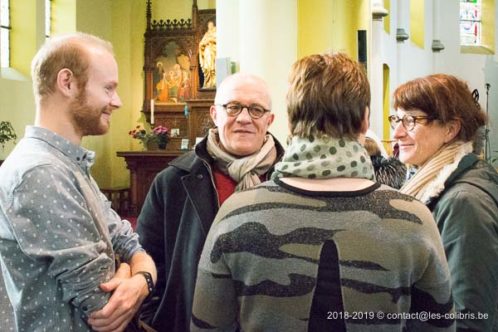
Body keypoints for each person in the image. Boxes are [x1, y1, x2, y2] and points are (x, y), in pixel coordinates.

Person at [191, 53, 455, 331]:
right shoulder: (413, 219)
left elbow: (207, 325)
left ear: (290, 123)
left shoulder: (238, 213)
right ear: (365, 121)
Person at [0, 32, 157, 331]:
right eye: (109, 88)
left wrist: (137, 276)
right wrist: (135, 272)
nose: (118, 101)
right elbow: (105, 307)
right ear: (67, 82)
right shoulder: (40, 173)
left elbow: (125, 237)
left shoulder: (66, 163)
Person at [136, 72, 285, 331]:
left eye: (256, 110)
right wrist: (156, 320)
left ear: (269, 120)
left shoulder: (289, 179)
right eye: (233, 107)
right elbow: (146, 257)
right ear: (215, 114)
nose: (244, 118)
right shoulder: (172, 181)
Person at [391, 73, 498, 331]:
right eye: (396, 118)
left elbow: (468, 319)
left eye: (411, 120)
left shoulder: (464, 203)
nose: (397, 132)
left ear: (450, 129)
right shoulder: (433, 185)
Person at [198, 21, 216, 88]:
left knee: (213, 67)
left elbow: (218, 40)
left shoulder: (216, 33)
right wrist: (203, 44)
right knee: (207, 67)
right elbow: (201, 44)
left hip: (213, 52)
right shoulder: (206, 34)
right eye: (208, 25)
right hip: (207, 52)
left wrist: (210, 40)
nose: (210, 26)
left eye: (211, 25)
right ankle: (208, 82)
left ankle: (214, 81)